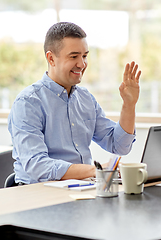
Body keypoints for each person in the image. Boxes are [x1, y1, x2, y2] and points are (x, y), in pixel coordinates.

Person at [8, 22, 141, 185]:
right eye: (74, 56)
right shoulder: (28, 103)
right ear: (51, 58)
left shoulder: (85, 99)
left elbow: (119, 145)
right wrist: (97, 170)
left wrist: (129, 104)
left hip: (82, 188)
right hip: (39, 193)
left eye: (84, 56)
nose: (82, 64)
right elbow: (38, 166)